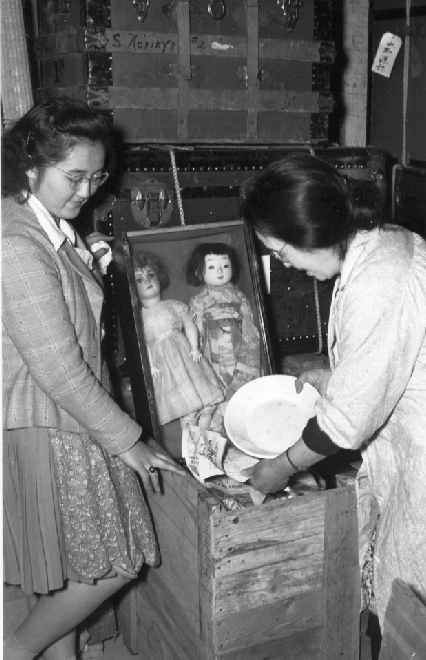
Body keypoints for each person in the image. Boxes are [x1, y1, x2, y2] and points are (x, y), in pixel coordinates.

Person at [239, 154, 426, 645]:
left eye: (281, 249)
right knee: (421, 578)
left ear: (312, 231)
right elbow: (404, 349)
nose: (283, 262)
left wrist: (279, 467)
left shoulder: (378, 278)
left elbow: (343, 426)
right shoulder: (380, 242)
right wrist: (337, 374)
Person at [2, 97, 184, 660]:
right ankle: (14, 650)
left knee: (64, 569)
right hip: (48, 420)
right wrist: (129, 440)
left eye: (96, 176)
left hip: (65, 414)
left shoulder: (47, 223)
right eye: (74, 177)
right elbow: (58, 367)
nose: (87, 191)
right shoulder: (15, 242)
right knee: (114, 563)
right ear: (31, 167)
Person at [133, 251, 223, 429]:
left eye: (151, 275)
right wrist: (150, 364)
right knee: (187, 410)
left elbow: (189, 324)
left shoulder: (173, 306)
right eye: (139, 279)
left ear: (160, 276)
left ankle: (201, 442)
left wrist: (194, 347)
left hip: (187, 358)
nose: (148, 281)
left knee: (208, 405)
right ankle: (190, 450)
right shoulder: (139, 318)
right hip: (166, 369)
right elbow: (143, 344)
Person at [186, 242, 262, 412]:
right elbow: (196, 329)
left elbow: (249, 323)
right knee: (216, 386)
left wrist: (250, 347)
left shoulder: (239, 296)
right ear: (198, 271)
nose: (220, 271)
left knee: (241, 387)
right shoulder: (199, 301)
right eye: (212, 266)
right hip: (212, 348)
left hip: (239, 345)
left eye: (225, 265)